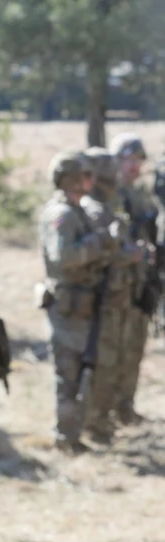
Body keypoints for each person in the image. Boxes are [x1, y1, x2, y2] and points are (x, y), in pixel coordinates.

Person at [36, 151, 118, 453]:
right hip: (68, 307)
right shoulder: (62, 214)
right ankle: (65, 437)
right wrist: (101, 242)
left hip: (83, 304)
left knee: (83, 370)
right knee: (69, 374)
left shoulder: (77, 210)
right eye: (85, 175)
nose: (92, 180)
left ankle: (75, 432)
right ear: (71, 178)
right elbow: (65, 257)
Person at [81, 146, 139, 444]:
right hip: (101, 301)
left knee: (112, 362)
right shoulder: (93, 211)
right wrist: (130, 254)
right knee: (101, 364)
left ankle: (103, 419)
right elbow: (103, 254)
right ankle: (95, 423)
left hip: (115, 298)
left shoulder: (105, 209)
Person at [109, 133, 158, 424]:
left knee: (135, 347)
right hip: (117, 284)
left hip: (141, 283)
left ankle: (126, 406)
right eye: (128, 160)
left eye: (138, 161)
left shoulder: (141, 195)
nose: (134, 166)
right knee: (112, 349)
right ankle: (106, 408)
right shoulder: (109, 196)